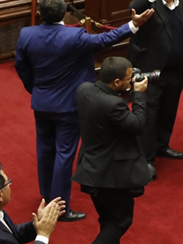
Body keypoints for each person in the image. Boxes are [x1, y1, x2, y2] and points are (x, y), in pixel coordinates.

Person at [14, 0, 153, 223]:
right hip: (68, 106)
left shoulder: (26, 34)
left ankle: (47, 193)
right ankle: (59, 207)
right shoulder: (74, 35)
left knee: (45, 149)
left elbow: (21, 66)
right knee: (64, 153)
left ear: (39, 13)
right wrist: (133, 25)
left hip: (41, 102)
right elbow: (105, 40)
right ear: (65, 13)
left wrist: (35, 88)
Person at [73, 57, 152, 244]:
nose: (132, 80)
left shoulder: (84, 90)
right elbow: (137, 125)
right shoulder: (114, 105)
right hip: (109, 174)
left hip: (90, 168)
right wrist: (139, 94)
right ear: (116, 81)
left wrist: (124, 90)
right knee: (120, 221)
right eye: (129, 78)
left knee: (107, 218)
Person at [127, 0, 183, 177]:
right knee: (149, 115)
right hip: (150, 70)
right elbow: (134, 6)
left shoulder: (181, 3)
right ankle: (146, 158)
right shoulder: (147, 0)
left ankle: (162, 145)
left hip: (174, 69)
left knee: (168, 110)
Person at [0, 162, 64, 244]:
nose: (10, 185)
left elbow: (9, 233)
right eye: (8, 182)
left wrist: (37, 223)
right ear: (0, 195)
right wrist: (43, 235)